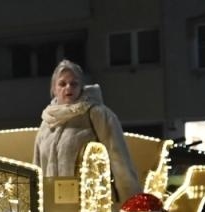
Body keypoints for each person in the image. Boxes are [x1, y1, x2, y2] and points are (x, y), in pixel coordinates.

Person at [33, 60, 141, 203]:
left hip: (90, 204)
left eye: (74, 83)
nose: (68, 87)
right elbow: (37, 167)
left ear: (81, 87)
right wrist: (34, 201)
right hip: (54, 205)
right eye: (62, 83)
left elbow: (118, 158)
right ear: (54, 89)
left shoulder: (97, 114)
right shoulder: (47, 122)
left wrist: (131, 201)